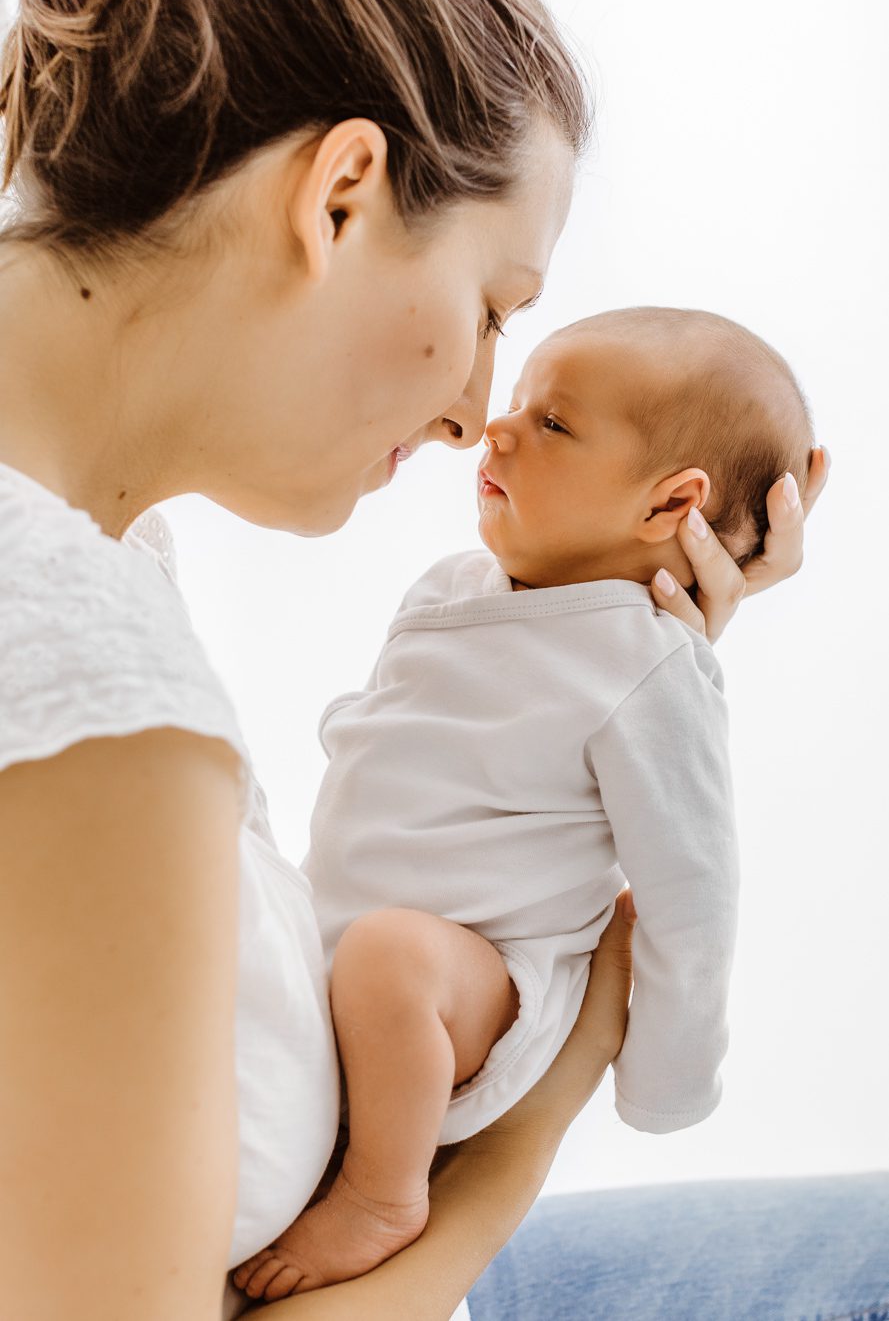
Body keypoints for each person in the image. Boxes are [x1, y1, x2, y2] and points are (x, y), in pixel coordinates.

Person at [0, 0, 875, 1320]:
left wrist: (619, 625)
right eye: (490, 306)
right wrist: (575, 1057)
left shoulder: (97, 549)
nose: (474, 415)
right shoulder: (97, 706)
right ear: (340, 193)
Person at [232, 306, 813, 1300]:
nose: (495, 428)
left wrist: (665, 1082)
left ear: (671, 501)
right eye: (518, 405)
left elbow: (693, 887)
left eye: (552, 424)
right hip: (358, 950)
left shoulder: (651, 668)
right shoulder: (452, 584)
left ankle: (384, 1192)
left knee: (389, 956)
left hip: (488, 985)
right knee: (369, 951)